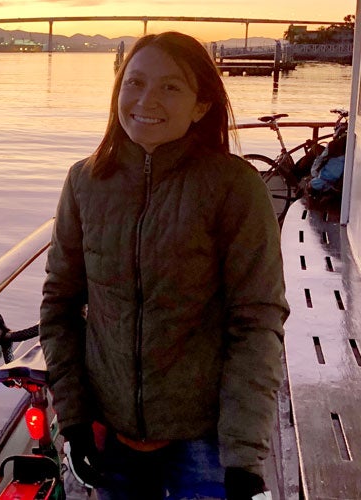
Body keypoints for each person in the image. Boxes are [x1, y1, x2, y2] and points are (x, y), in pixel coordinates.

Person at [38, 31, 289, 500]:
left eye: (170, 87)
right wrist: (72, 419)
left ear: (201, 106)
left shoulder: (235, 188)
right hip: (109, 435)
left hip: (206, 440)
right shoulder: (85, 183)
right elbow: (60, 304)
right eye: (134, 82)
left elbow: (257, 322)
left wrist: (242, 457)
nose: (146, 99)